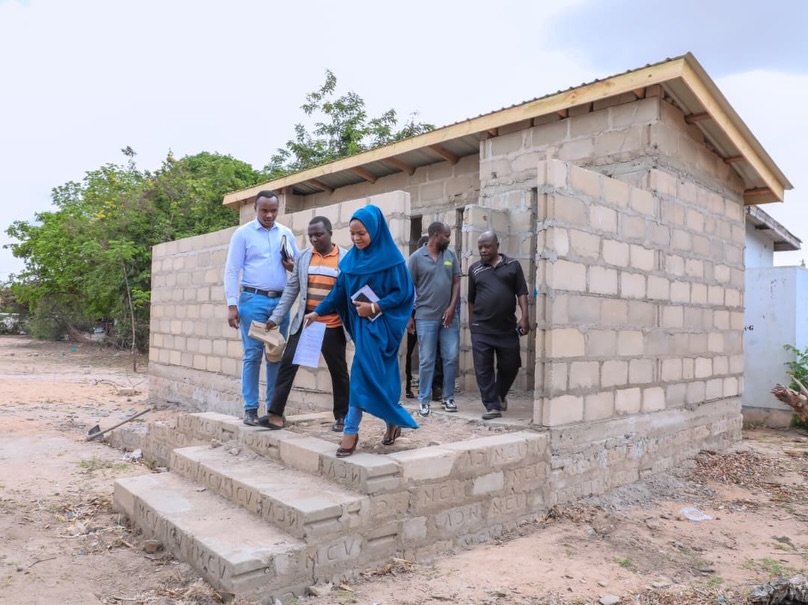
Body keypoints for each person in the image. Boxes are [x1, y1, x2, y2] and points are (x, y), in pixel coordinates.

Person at [304, 204, 417, 457]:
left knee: (375, 377)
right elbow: (338, 293)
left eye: (361, 233)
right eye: (353, 234)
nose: (356, 238)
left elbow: (403, 293)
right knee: (365, 375)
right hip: (362, 328)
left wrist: (375, 307)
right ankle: (357, 429)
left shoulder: (393, 261)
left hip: (383, 328)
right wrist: (317, 312)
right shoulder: (350, 262)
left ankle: (370, 426)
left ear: (375, 231)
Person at [260, 216, 350, 432]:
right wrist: (275, 317)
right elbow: (292, 289)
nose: (314, 239)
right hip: (306, 323)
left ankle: (342, 417)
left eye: (319, 234)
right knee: (287, 364)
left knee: (338, 371)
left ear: (330, 233)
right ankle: (275, 415)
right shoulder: (303, 257)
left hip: (332, 325)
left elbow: (347, 292)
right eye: (311, 236)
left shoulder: (346, 258)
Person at [223, 190, 298, 426]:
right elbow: (232, 269)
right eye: (264, 210)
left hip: (280, 303)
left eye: (273, 211)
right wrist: (232, 304)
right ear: (255, 208)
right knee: (253, 354)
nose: (269, 215)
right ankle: (251, 409)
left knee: (275, 354)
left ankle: (274, 410)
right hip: (253, 300)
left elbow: (297, 267)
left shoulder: (285, 233)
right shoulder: (243, 234)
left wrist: (291, 266)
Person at [467, 230, 530, 419]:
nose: (483, 250)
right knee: (483, 368)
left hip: (506, 327)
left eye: (487, 246)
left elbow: (522, 293)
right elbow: (471, 299)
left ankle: (500, 394)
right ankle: (492, 406)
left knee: (511, 364)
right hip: (481, 328)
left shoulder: (513, 265)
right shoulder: (475, 269)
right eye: (480, 247)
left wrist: (525, 317)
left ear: (497, 246)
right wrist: (472, 323)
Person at [407, 222, 461, 417]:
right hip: (425, 317)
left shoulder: (450, 256)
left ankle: (448, 397)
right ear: (436, 235)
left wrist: (452, 307)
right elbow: (408, 289)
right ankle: (424, 400)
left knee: (450, 357)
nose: (449, 239)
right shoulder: (416, 258)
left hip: (448, 317)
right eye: (447, 235)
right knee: (427, 360)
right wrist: (409, 317)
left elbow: (456, 282)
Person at [404, 235, 443, 400]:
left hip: (429, 312)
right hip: (413, 312)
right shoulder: (412, 266)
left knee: (433, 351)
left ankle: (435, 387)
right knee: (408, 351)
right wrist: (408, 317)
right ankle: (407, 386)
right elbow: (407, 293)